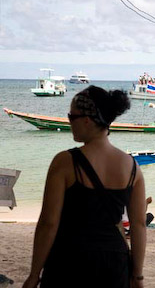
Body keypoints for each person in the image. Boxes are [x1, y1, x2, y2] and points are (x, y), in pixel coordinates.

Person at [22, 86, 147, 288]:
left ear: (87, 120)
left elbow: (48, 223)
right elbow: (139, 225)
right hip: (114, 261)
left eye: (72, 116)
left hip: (70, 258)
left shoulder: (65, 162)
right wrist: (137, 276)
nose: (69, 121)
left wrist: (34, 274)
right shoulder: (132, 167)